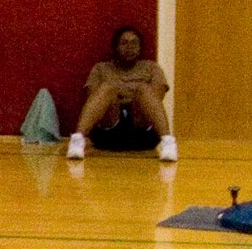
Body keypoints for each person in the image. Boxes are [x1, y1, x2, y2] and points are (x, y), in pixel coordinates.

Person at [66, 26, 176, 162]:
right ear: (115, 47)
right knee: (107, 87)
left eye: (134, 43)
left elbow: (156, 96)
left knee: (143, 89)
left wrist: (130, 94)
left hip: (141, 130)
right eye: (124, 43)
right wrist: (117, 93)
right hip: (109, 130)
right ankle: (77, 140)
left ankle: (168, 142)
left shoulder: (151, 67)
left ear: (140, 48)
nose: (129, 47)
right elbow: (93, 97)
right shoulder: (101, 68)